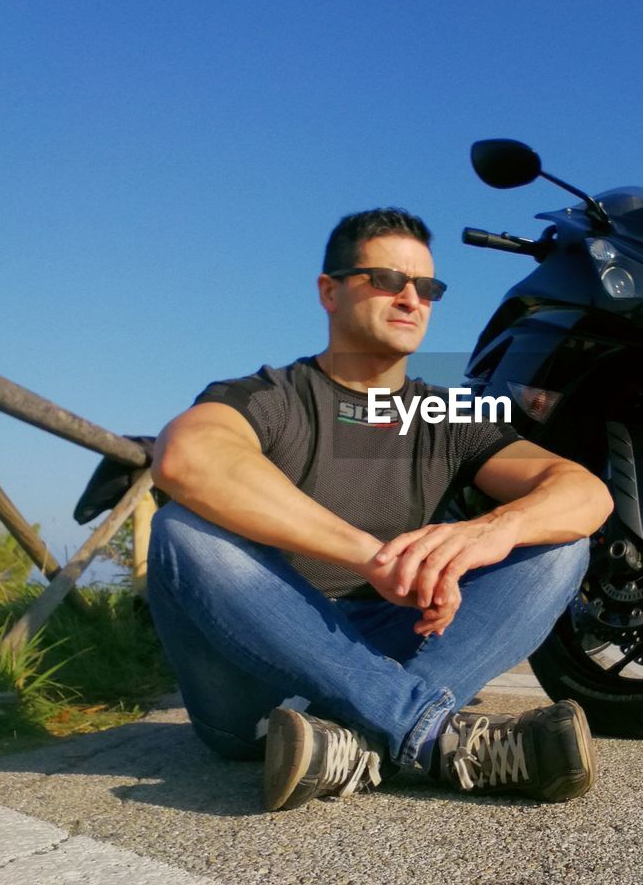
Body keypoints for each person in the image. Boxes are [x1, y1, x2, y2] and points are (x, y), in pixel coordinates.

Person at [147, 207, 614, 810]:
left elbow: (583, 490)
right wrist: (372, 559)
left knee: (558, 545)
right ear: (330, 290)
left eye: (428, 288)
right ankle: (436, 735)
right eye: (387, 279)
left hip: (398, 646)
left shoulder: (448, 414)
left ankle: (354, 742)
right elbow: (187, 458)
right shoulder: (274, 395)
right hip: (259, 674)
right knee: (183, 528)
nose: (411, 299)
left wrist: (499, 527)